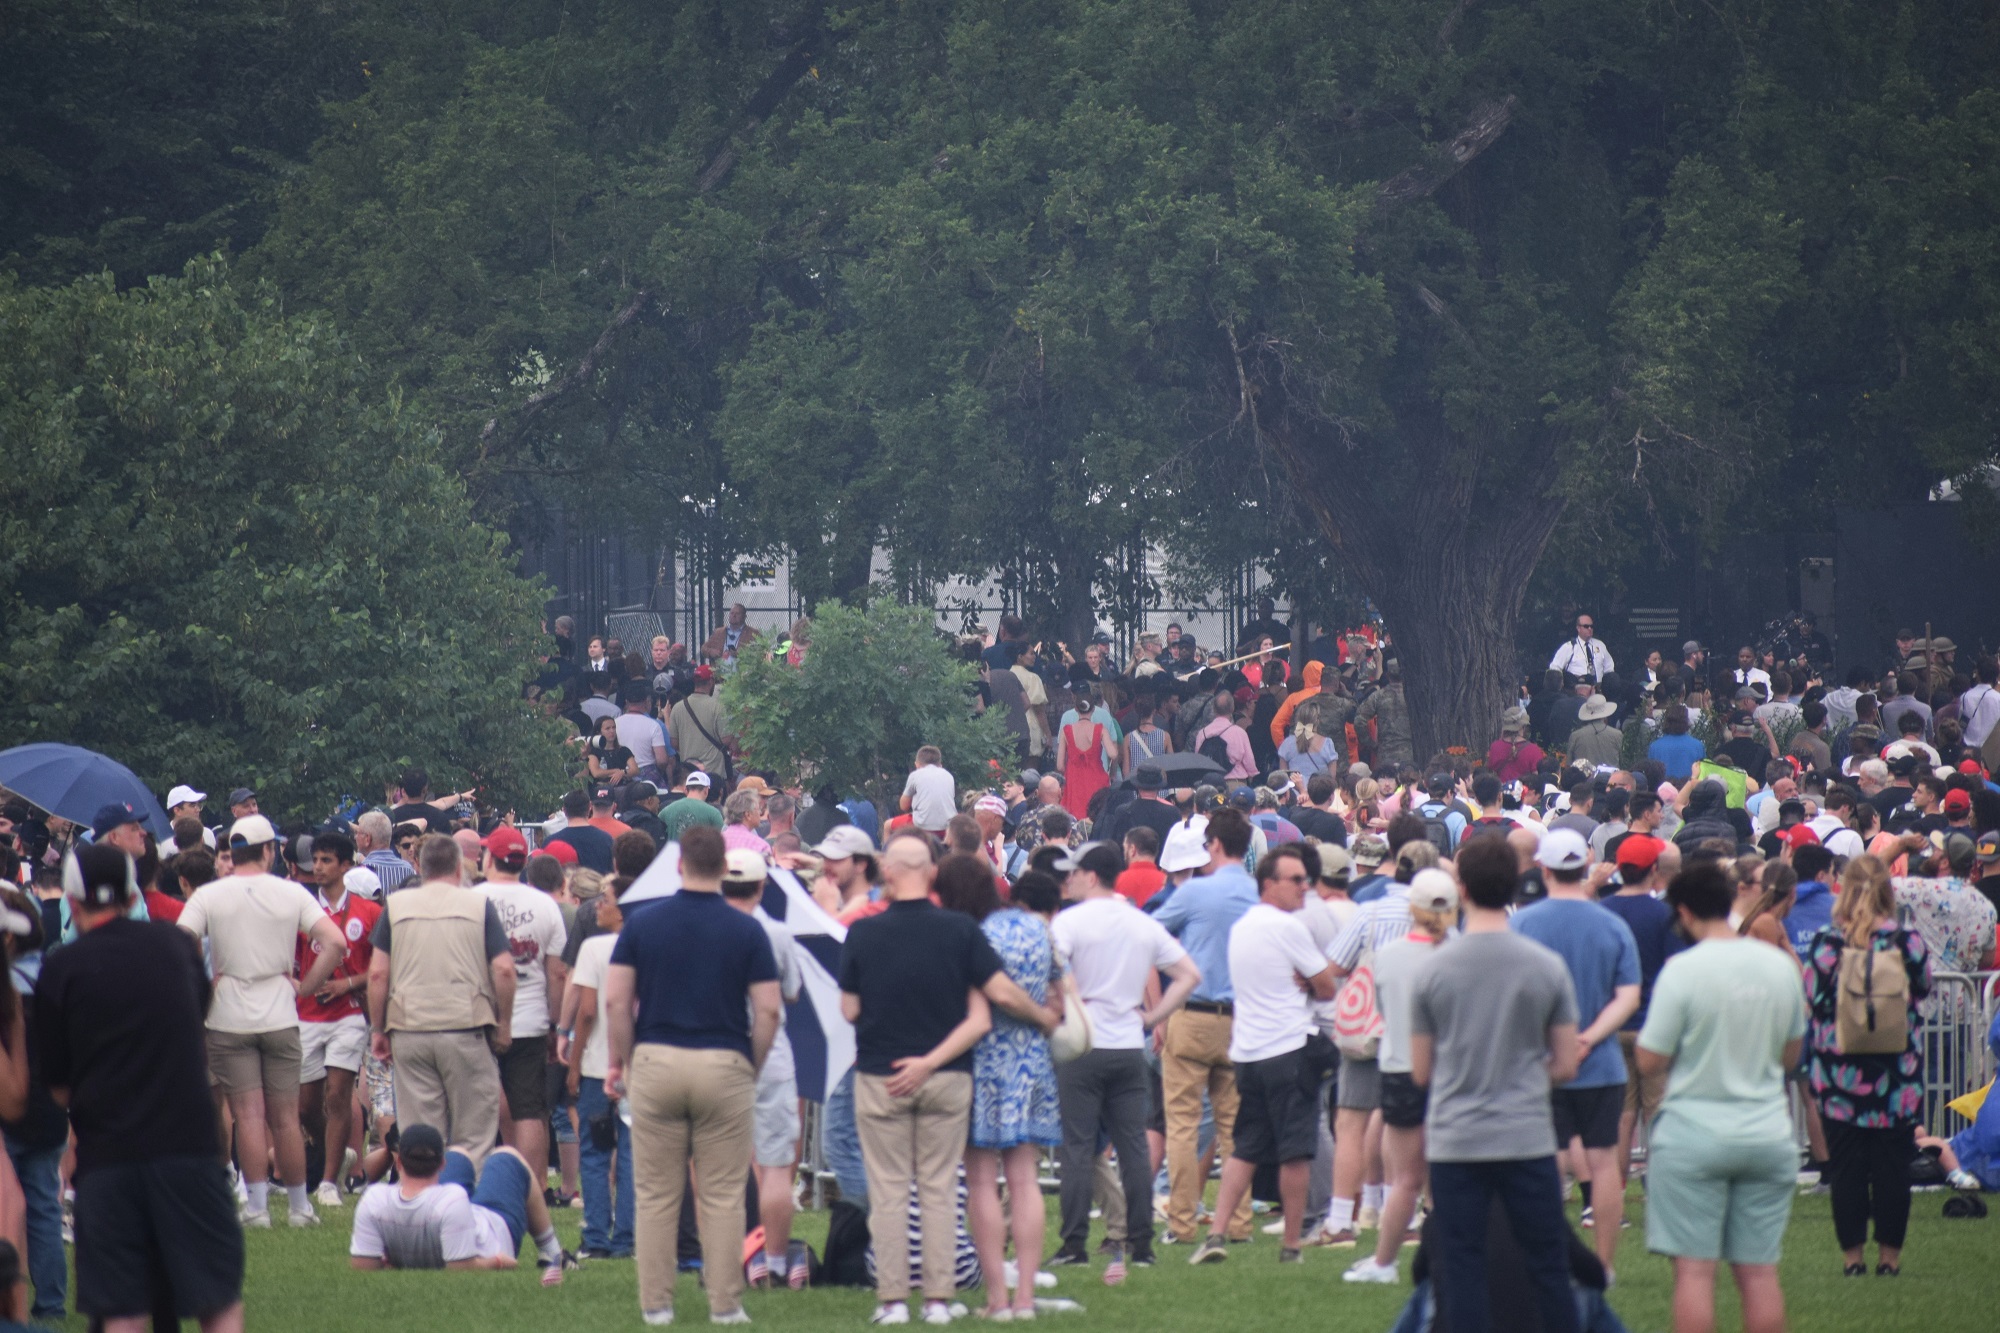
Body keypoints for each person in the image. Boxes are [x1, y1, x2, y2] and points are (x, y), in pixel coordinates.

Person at [839, 831, 1057, 1324]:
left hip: (880, 1074)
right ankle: (939, 1300)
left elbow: (849, 1008)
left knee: (890, 1190)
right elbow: (985, 1011)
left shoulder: (864, 932)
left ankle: (893, 1300)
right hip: (948, 1075)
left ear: (886, 874)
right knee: (940, 1190)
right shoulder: (961, 932)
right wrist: (1043, 1018)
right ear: (931, 872)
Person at [37, 843, 245, 1332]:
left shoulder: (61, 970)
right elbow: (197, 1016)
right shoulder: (175, 947)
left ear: (73, 898)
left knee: (123, 1307)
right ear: (133, 892)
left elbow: (59, 1088)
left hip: (109, 1156)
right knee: (217, 1298)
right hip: (190, 1148)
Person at [604, 824, 780, 1326]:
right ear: (725, 869)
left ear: (678, 865)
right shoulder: (747, 930)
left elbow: (617, 999)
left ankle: (656, 1305)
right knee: (723, 1193)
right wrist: (751, 1063)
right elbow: (768, 1011)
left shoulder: (641, 924)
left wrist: (626, 1058)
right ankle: (725, 1304)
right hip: (724, 1061)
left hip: (657, 1057)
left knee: (657, 1193)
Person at [1409, 834, 1582, 1333]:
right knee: (1549, 1265)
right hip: (1525, 1133)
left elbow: (1421, 1072)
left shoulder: (1433, 970)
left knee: (1462, 1269)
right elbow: (1566, 1063)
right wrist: (1523, 1075)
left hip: (1456, 1138)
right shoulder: (1545, 966)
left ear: (1460, 887)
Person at [1636, 861, 1806, 1333]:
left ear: (1685, 911)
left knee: (1694, 1270)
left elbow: (1650, 1060)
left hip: (1694, 1133)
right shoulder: (1778, 966)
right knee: (1757, 1271)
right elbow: (1790, 1055)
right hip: (1768, 1132)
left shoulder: (1682, 970)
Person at [178, 814, 348, 1228]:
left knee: (247, 1114)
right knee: (285, 1116)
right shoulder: (292, 894)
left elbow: (180, 943)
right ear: (269, 850)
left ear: (232, 854)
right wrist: (305, 986)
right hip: (280, 1008)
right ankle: (298, 1207)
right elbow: (336, 942)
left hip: (228, 1011)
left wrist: (204, 985)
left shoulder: (210, 896)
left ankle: (255, 1207)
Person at [1047, 840, 1198, 1282]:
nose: (1069, 880)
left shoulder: (1068, 922)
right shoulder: (1141, 922)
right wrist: (1154, 1017)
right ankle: (1142, 1243)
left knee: (1077, 1147)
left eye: (1074, 873)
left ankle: (1074, 1243)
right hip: (1128, 1043)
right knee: (1133, 1146)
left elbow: (1054, 976)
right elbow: (1189, 974)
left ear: (1091, 876)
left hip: (1081, 1043)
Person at [1189, 845, 1336, 1264]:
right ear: (1268, 884)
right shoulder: (1287, 928)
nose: (1304, 887)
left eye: (1306, 879)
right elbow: (1326, 986)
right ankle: (1292, 1244)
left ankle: (1217, 1233)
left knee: (1245, 1148)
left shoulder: (1244, 926)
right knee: (1295, 1149)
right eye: (1296, 880)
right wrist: (1309, 983)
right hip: (1288, 1046)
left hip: (1249, 1052)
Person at [934, 858, 1062, 1320]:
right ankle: (1026, 1296)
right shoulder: (1036, 928)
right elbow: (1060, 995)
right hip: (1031, 1062)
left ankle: (997, 1299)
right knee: (1025, 1180)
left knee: (981, 1181)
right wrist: (1045, 1021)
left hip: (980, 1060)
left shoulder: (965, 933)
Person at [1509, 829, 1640, 1270]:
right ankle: (1603, 1266)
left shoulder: (1521, 924)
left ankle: (1542, 1262)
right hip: (1600, 1065)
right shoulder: (1611, 923)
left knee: (1542, 1163)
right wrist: (1590, 1036)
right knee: (1603, 1164)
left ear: (1543, 870)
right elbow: (1628, 995)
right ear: (1585, 868)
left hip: (1540, 1063)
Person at [1802, 855, 1932, 1277]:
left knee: (1846, 1170)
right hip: (1896, 1074)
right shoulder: (1906, 940)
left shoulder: (1827, 941)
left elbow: (1813, 997)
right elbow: (1924, 987)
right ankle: (1890, 1260)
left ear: (1844, 885)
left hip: (1839, 1074)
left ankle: (1852, 1258)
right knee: (1894, 1168)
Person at [367, 833, 515, 1167]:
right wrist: (504, 1023)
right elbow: (504, 969)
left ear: (419, 865)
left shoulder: (396, 906)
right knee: (474, 1133)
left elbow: (377, 974)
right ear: (459, 867)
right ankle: (467, 1199)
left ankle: (425, 1198)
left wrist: (379, 1029)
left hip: (410, 1027)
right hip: (467, 1026)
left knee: (420, 1130)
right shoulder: (479, 905)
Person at [1344, 868, 1458, 1285]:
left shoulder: (1389, 956)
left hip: (1399, 1067)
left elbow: (1381, 1009)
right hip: (1451, 1072)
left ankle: (1384, 1262)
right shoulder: (1459, 951)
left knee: (1406, 1177)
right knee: (1449, 1173)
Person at [1150, 808, 1259, 1246]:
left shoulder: (1195, 894)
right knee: (1235, 1129)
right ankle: (1239, 1222)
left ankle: (1181, 1222)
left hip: (1192, 1014)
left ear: (1213, 845)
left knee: (1181, 1123)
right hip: (1241, 1022)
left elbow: (1151, 935)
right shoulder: (1258, 894)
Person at [720, 849, 807, 1289]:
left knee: (718, 1167)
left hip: (716, 1051)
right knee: (775, 1165)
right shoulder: (776, 933)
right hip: (769, 1053)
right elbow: (789, 993)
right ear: (761, 887)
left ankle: (727, 1257)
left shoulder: (705, 930)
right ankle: (772, 1260)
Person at [348, 1123, 569, 1283]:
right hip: (492, 1231)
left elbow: (363, 1266)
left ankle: (551, 1251)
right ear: (440, 1164)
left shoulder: (373, 1200)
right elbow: (464, 1269)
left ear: (398, 1163)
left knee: (459, 1153)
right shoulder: (451, 1199)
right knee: (507, 1155)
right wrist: (499, 1262)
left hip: (456, 1214)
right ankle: (551, 1251)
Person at [479, 826, 568, 1200]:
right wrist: (555, 1023)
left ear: (490, 859)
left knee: (479, 1106)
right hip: (531, 1020)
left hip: (479, 1016)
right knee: (530, 1108)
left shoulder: (472, 899)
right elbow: (557, 972)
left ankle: (483, 1182)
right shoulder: (546, 904)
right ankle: (533, 1186)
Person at [297, 828, 381, 1210]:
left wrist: (348, 983)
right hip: (306, 1015)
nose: (317, 867)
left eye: (326, 860)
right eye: (315, 860)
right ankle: (339, 1153)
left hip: (349, 1015)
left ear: (346, 866)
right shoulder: (301, 911)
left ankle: (329, 1182)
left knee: (338, 1095)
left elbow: (384, 969)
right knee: (305, 1107)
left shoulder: (369, 911)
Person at [564, 880, 633, 1260]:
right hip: (636, 1066)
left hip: (595, 1065)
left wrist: (573, 1063)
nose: (596, 908)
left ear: (621, 909)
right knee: (630, 1151)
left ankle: (596, 1235)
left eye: (604, 901)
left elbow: (587, 1012)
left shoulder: (595, 948)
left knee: (594, 1151)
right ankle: (626, 1237)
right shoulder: (647, 947)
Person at [667, 665, 732, 775]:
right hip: (713, 771)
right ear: (711, 682)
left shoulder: (677, 708)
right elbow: (726, 740)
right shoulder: (718, 707)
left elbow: (674, 743)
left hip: (688, 771)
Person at [900, 746, 958, 834]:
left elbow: (903, 806)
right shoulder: (948, 775)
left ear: (917, 764)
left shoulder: (915, 775)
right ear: (940, 765)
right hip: (948, 827)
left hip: (922, 826)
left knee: (887, 826)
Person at [661, 770, 726, 844]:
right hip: (700, 855)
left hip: (673, 855)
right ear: (706, 790)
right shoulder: (713, 813)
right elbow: (722, 839)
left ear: (685, 790)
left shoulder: (666, 810)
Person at [1550, 613, 1615, 684]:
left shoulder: (1600, 645)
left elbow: (1609, 668)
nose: (1590, 629)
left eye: (1591, 626)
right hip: (1576, 690)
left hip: (1598, 689)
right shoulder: (1569, 647)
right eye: (1586, 626)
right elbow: (1555, 668)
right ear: (1578, 628)